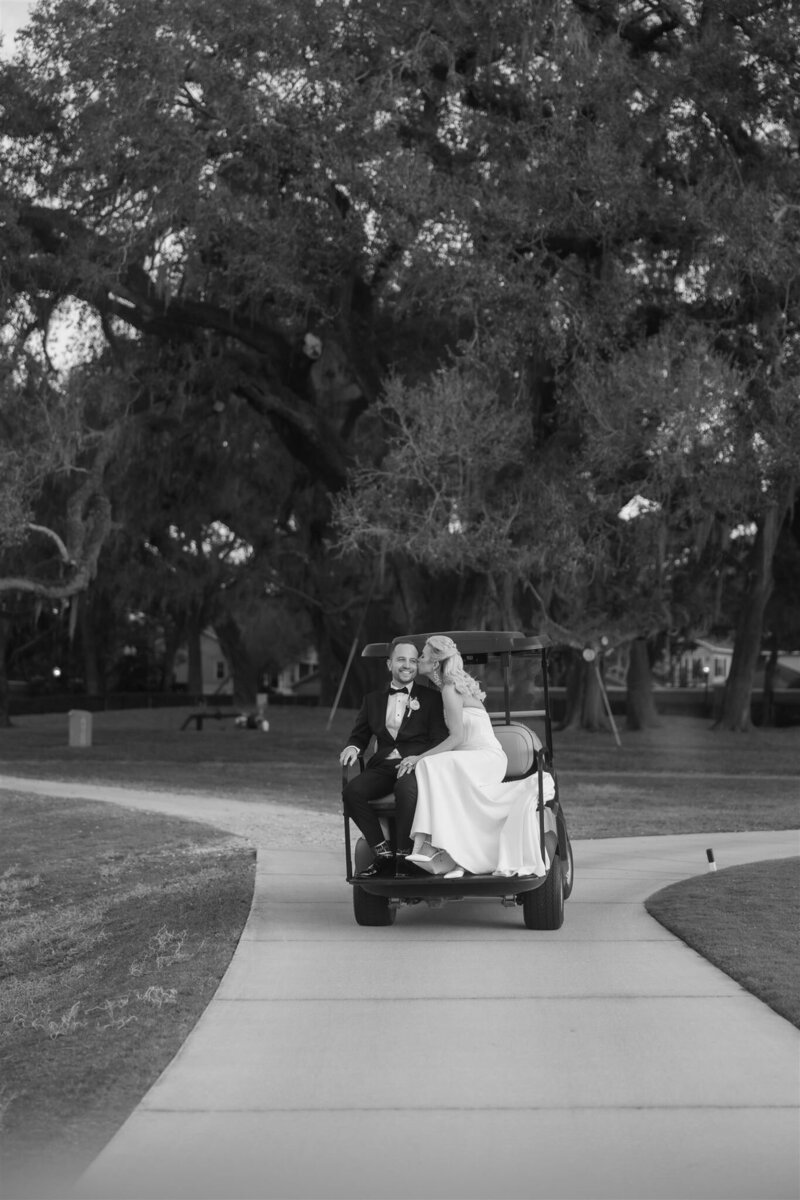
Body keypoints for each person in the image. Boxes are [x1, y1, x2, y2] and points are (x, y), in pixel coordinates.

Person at [398, 634, 554, 878]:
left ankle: (429, 842)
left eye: (422, 656)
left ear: (436, 663)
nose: (418, 661)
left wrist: (418, 758)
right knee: (439, 773)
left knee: (428, 765)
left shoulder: (449, 688)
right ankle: (454, 855)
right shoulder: (444, 690)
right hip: (468, 759)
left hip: (486, 758)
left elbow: (457, 738)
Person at [340, 641, 449, 879]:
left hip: (415, 764)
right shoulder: (373, 700)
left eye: (412, 660)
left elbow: (439, 737)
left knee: (405, 789)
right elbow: (359, 735)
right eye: (401, 660)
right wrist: (352, 748)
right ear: (390, 664)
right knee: (352, 792)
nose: (407, 666)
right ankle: (383, 854)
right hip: (383, 766)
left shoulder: (431, 698)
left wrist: (419, 759)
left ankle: (404, 856)